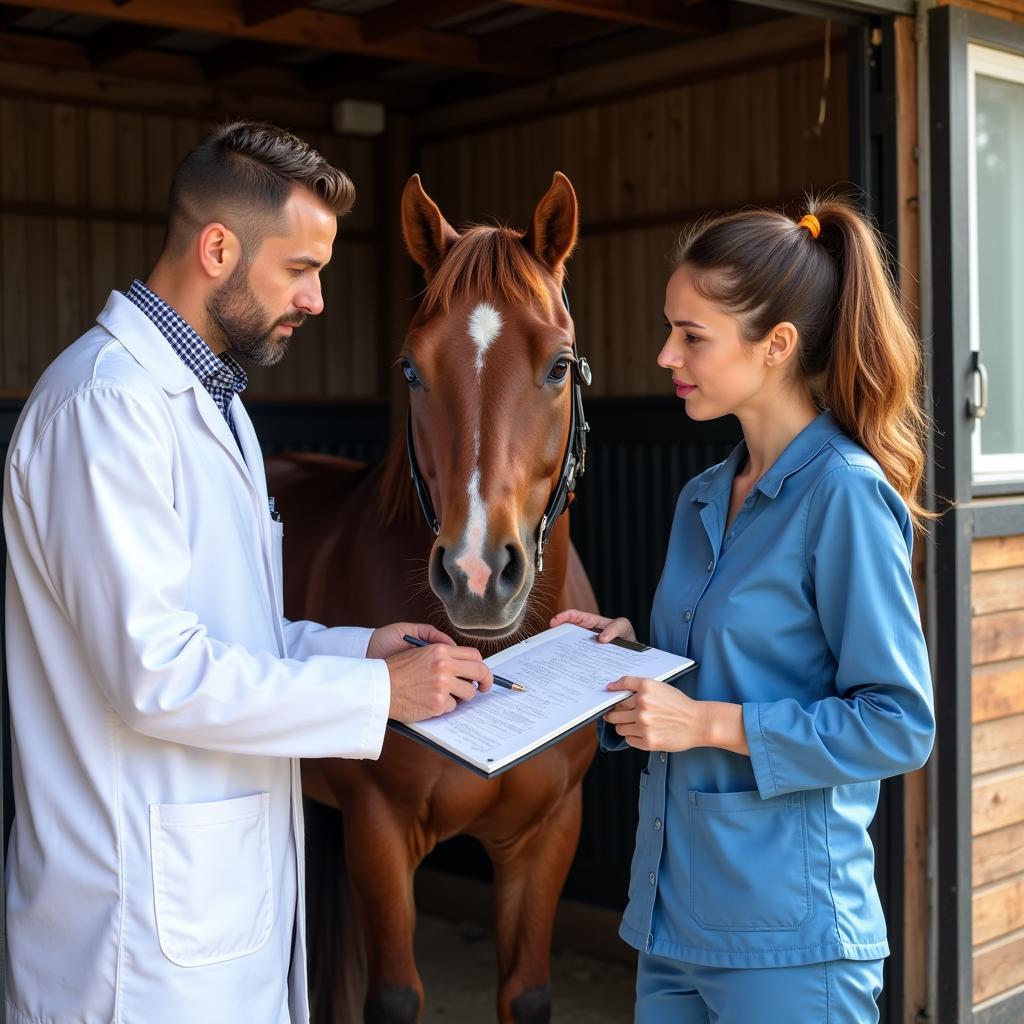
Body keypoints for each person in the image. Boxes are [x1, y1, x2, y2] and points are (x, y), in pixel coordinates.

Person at [2, 121, 492, 1024]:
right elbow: (154, 674)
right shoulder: (107, 407)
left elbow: (224, 634)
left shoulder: (214, 402)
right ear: (218, 247)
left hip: (208, 914)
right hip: (133, 943)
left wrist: (359, 653)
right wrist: (378, 697)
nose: (315, 300)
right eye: (300, 269)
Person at [553, 199, 935, 1023]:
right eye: (670, 329)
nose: (665, 355)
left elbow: (899, 724)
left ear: (777, 346)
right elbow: (731, 667)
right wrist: (627, 655)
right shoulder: (700, 496)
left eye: (692, 335)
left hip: (791, 944)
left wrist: (709, 725)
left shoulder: (845, 496)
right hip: (670, 923)